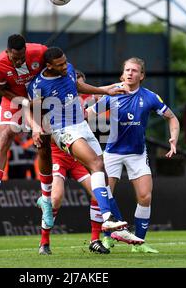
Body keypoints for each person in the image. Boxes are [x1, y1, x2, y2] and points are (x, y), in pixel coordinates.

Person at [28, 47, 144, 245]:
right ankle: (108, 219)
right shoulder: (38, 85)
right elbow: (30, 109)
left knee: (103, 178)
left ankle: (119, 229)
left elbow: (79, 87)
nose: (65, 66)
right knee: (96, 165)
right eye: (60, 65)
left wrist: (105, 90)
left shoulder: (69, 69)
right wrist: (35, 128)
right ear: (49, 66)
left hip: (81, 126)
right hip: (63, 130)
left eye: (65, 62)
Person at [87, 57, 180, 253]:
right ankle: (108, 238)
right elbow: (88, 114)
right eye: (127, 70)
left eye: (135, 70)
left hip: (137, 154)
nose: (130, 73)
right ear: (122, 74)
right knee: (104, 194)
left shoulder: (150, 97)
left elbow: (172, 118)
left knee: (145, 197)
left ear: (142, 75)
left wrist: (173, 138)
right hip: (112, 152)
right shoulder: (111, 96)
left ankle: (139, 242)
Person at [0, 34, 55, 229]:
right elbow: (2, 91)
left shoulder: (40, 51)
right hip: (14, 100)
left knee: (43, 145)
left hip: (38, 102)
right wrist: (23, 103)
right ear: (7, 53)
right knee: (4, 137)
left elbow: (58, 66)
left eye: (22, 56)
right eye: (15, 58)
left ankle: (45, 198)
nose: (20, 60)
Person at [38, 70, 113, 256]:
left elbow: (101, 91)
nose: (77, 89)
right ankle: (44, 242)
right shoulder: (52, 101)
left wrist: (121, 88)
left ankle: (95, 240)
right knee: (56, 198)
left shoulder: (82, 102)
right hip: (59, 157)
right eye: (76, 85)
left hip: (78, 159)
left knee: (100, 190)